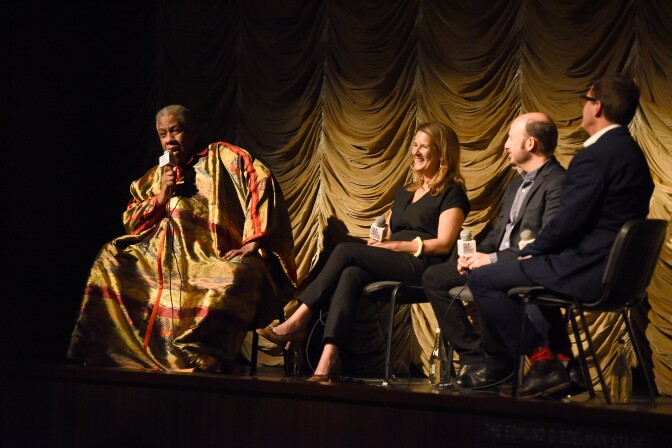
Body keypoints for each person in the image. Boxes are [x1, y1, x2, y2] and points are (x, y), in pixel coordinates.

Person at [67, 105, 297, 373]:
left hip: (209, 256)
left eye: (176, 131)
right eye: (163, 134)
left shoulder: (222, 156)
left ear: (193, 131)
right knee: (110, 256)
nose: (170, 140)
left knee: (238, 277)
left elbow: (261, 181)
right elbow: (131, 222)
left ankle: (195, 355)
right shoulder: (154, 177)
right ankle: (104, 351)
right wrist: (161, 196)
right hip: (156, 257)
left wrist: (253, 239)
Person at [468, 75, 654, 398]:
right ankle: (567, 365)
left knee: (483, 279)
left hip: (589, 271)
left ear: (596, 106)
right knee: (532, 272)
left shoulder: (594, 156)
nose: (582, 106)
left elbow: (568, 223)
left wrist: (533, 251)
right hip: (618, 275)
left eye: (585, 100)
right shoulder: (633, 154)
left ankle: (543, 364)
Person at [257, 122, 470, 382]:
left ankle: (300, 317)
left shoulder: (452, 192)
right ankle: (329, 358)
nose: (415, 151)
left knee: (346, 250)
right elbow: (389, 230)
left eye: (424, 146)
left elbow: (445, 243)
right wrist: (380, 237)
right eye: (414, 145)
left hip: (423, 265)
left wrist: (398, 246)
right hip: (394, 259)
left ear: (442, 153)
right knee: (351, 274)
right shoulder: (406, 192)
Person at [422, 112, 567, 390]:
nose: (505, 145)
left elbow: (544, 242)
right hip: (496, 262)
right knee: (434, 277)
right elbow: (498, 233)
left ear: (530, 144)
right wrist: (473, 255)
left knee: (485, 280)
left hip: (527, 266)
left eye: (511, 138)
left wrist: (490, 259)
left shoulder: (558, 182)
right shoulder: (515, 184)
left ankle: (509, 364)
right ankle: (474, 356)